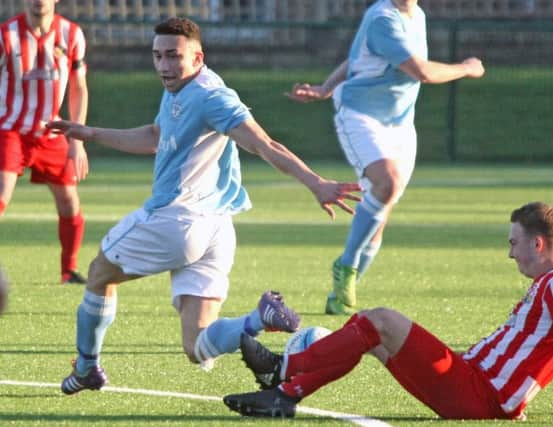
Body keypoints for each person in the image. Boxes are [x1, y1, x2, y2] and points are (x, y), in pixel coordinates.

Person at [46, 17, 361, 394]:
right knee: (197, 345)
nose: (164, 65)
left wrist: (316, 183)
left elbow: (264, 144)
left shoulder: (213, 97)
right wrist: (91, 133)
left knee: (98, 273)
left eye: (173, 56)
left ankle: (86, 368)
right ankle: (256, 319)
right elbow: (155, 136)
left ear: (198, 57)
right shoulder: (178, 88)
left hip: (175, 220)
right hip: (215, 231)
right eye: (157, 56)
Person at [224, 202, 553, 424]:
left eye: (514, 243)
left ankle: (283, 367)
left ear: (538, 243)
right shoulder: (550, 288)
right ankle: (285, 395)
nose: (510, 252)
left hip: (478, 394)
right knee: (369, 334)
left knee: (381, 320)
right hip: (471, 384)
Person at [286, 0, 486, 315]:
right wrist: (466, 68)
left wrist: (324, 87)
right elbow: (421, 71)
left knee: (380, 214)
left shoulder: (416, 15)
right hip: (360, 115)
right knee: (387, 184)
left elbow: (355, 60)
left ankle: (339, 298)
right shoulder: (382, 18)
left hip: (400, 124)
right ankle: (346, 265)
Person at [0, 0, 90, 284]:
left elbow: (78, 87)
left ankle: (69, 271)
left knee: (70, 203)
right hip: (10, 129)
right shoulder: (6, 34)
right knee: (2, 192)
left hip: (51, 131)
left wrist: (78, 139)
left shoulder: (71, 34)